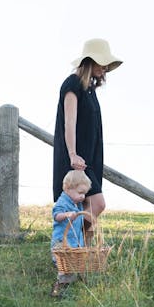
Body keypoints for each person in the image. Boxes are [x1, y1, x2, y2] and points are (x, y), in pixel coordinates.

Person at [53, 38, 122, 243]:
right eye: (102, 62)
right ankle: (65, 242)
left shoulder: (90, 89)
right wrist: (73, 154)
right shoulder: (72, 84)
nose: (106, 68)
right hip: (76, 159)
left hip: (89, 159)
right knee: (97, 204)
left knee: (85, 207)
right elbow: (69, 122)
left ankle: (76, 251)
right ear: (90, 61)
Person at [50, 170, 92, 298]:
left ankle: (75, 282)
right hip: (62, 241)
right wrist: (67, 214)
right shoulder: (63, 202)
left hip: (74, 241)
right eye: (80, 193)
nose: (82, 197)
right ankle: (58, 288)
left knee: (75, 263)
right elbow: (56, 215)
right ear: (68, 188)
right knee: (65, 266)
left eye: (84, 193)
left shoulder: (77, 203)